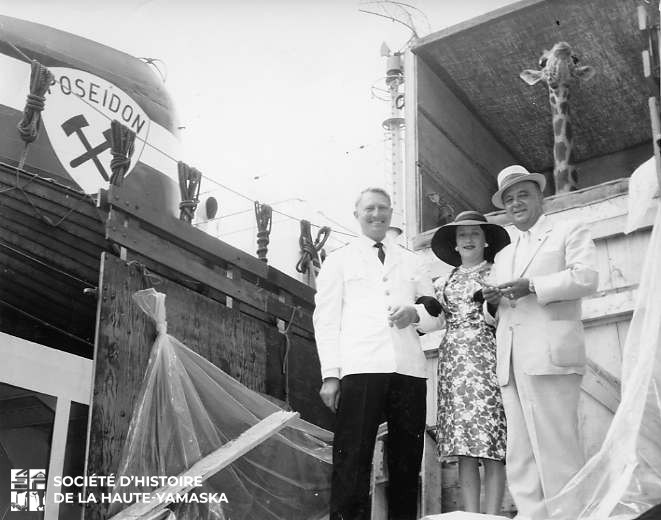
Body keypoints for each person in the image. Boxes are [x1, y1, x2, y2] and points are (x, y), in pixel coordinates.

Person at [313, 187, 439, 520]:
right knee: (352, 458)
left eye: (383, 208)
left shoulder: (413, 261)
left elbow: (436, 314)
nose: (377, 214)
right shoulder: (339, 260)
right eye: (369, 208)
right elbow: (326, 320)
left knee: (406, 461)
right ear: (357, 214)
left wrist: (414, 314)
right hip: (361, 367)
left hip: (408, 370)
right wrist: (331, 375)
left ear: (391, 213)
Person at [482, 165, 598, 520]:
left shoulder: (567, 230)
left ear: (539, 196)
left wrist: (532, 285)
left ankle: (571, 516)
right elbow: (495, 315)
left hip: (550, 355)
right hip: (512, 360)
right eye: (509, 199)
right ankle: (532, 516)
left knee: (557, 446)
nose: (516, 203)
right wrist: (491, 301)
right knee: (521, 453)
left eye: (523, 194)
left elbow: (587, 278)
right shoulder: (502, 255)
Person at [429, 210, 510, 515]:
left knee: (491, 443)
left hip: (486, 355)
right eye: (462, 234)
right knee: (464, 446)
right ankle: (470, 514)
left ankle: (491, 515)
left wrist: (493, 301)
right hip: (453, 361)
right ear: (455, 243)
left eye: (475, 233)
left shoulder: (497, 273)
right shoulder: (443, 281)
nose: (469, 239)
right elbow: (432, 321)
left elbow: (504, 316)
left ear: (486, 240)